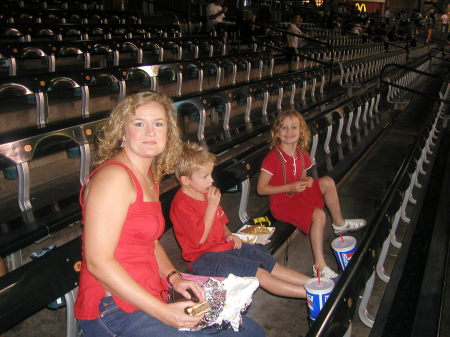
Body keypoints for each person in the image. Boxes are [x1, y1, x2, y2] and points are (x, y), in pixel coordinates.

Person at [74, 92, 264, 337]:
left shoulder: (149, 178)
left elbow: (149, 243)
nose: (150, 132)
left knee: (249, 330)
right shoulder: (114, 178)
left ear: (168, 133)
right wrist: (163, 312)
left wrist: (174, 278)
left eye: (158, 124)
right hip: (113, 310)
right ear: (122, 131)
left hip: (149, 293)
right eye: (139, 123)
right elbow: (98, 262)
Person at [170, 142, 310, 299]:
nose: (211, 181)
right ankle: (313, 294)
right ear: (186, 180)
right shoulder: (182, 205)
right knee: (259, 274)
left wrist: (230, 234)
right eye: (205, 176)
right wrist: (211, 206)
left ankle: (316, 283)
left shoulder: (203, 190)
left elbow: (220, 220)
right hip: (205, 258)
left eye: (210, 174)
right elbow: (199, 239)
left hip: (224, 246)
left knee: (268, 261)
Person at [257, 109, 366, 279]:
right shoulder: (272, 158)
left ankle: (339, 223)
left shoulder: (303, 155)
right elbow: (261, 189)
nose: (289, 132)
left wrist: (306, 181)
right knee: (319, 215)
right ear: (277, 133)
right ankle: (320, 265)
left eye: (294, 127)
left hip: (297, 193)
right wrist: (289, 187)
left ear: (301, 131)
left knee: (327, 182)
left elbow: (302, 177)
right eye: (284, 128)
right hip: (282, 203)